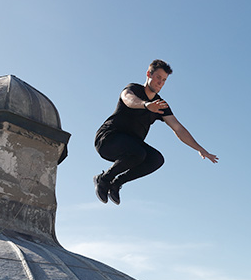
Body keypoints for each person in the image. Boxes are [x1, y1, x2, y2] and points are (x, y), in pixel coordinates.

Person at [93, 59, 218, 205]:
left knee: (156, 159)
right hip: (108, 139)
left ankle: (116, 183)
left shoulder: (161, 105)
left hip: (131, 147)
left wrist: (200, 148)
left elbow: (178, 128)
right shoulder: (133, 89)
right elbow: (128, 99)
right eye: (158, 77)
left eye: (164, 80)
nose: (160, 83)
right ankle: (103, 179)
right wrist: (146, 105)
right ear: (149, 74)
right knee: (139, 153)